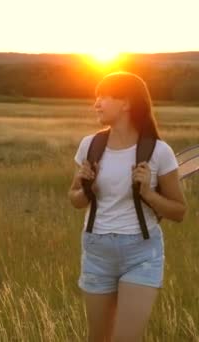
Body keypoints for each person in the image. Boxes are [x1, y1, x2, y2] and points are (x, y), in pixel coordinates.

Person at [68, 72, 186, 341]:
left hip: (141, 254)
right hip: (96, 250)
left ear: (127, 103)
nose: (95, 104)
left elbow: (179, 212)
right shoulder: (90, 145)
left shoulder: (159, 151)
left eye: (103, 97)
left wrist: (147, 193)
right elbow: (75, 200)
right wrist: (83, 184)